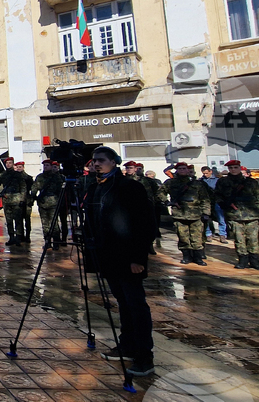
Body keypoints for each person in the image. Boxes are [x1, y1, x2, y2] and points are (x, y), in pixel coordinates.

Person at [83, 146, 156, 377]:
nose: (96, 164)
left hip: (128, 256)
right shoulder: (95, 187)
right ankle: (127, 345)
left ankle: (145, 356)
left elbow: (146, 224)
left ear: (114, 162)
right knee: (122, 302)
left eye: (101, 160)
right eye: (94, 161)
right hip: (107, 255)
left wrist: (138, 258)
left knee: (136, 304)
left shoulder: (129, 187)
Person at [215, 160, 259, 271]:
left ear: (240, 168)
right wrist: (226, 205)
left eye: (235, 167)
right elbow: (217, 196)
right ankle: (242, 259)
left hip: (252, 215)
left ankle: (255, 260)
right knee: (239, 239)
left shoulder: (251, 182)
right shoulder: (223, 182)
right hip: (234, 215)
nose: (233, 170)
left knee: (253, 239)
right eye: (231, 168)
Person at [164, 162, 211, 266]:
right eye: (180, 169)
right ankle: (186, 257)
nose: (182, 170)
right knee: (183, 237)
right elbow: (160, 193)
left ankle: (198, 258)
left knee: (197, 238)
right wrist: (168, 202)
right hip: (179, 214)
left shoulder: (197, 184)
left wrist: (206, 212)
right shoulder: (170, 183)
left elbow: (205, 198)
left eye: (184, 168)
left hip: (196, 214)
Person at [30, 160, 64, 250]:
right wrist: (32, 198)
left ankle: (56, 242)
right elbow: (34, 188)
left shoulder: (56, 177)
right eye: (44, 165)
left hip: (53, 203)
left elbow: (60, 191)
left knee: (54, 223)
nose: (45, 167)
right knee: (45, 224)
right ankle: (47, 241)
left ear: (51, 166)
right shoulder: (40, 177)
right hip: (42, 203)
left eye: (47, 165)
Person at [0, 157, 28, 245]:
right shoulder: (3, 175)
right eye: (7, 163)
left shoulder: (18, 175)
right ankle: (11, 237)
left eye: (10, 163)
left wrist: (22, 199)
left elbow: (23, 187)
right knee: (9, 220)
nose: (8, 164)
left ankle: (18, 238)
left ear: (13, 164)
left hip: (16, 198)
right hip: (6, 199)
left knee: (18, 220)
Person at [200, 166, 229, 244]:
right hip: (206, 202)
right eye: (204, 173)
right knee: (206, 219)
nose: (205, 175)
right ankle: (208, 234)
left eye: (207, 173)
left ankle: (222, 235)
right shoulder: (201, 181)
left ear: (210, 172)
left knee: (221, 219)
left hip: (216, 201)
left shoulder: (217, 180)